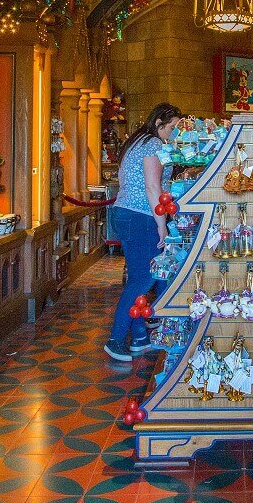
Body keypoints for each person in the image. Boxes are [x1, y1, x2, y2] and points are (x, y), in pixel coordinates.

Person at [104, 102, 183, 362]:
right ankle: (116, 339)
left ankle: (139, 336)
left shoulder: (138, 141)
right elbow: (152, 187)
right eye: (172, 127)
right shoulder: (153, 145)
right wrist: (162, 224)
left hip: (127, 213)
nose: (175, 132)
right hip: (142, 216)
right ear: (159, 123)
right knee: (143, 278)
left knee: (139, 274)